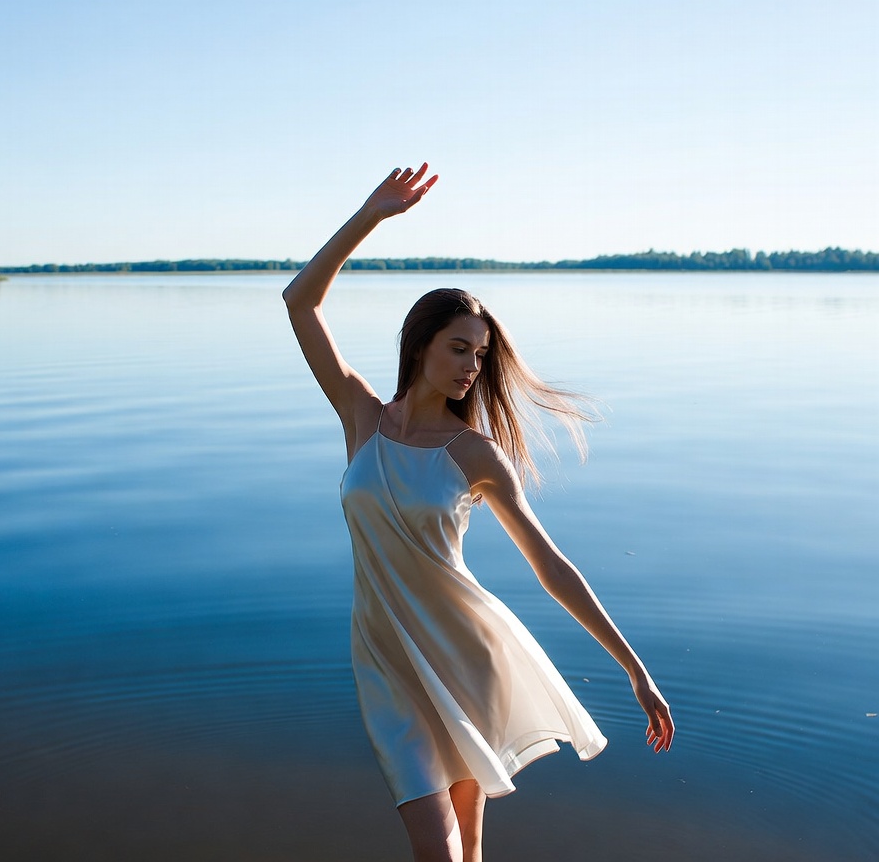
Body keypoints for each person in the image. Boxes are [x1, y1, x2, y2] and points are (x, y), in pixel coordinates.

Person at [282, 164, 674, 862]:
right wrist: (370, 216)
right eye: (458, 348)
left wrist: (634, 669)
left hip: (466, 657)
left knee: (465, 852)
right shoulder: (361, 416)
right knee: (439, 849)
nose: (471, 367)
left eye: (480, 354)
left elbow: (551, 567)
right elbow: (299, 302)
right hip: (385, 663)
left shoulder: (475, 454)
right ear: (420, 347)